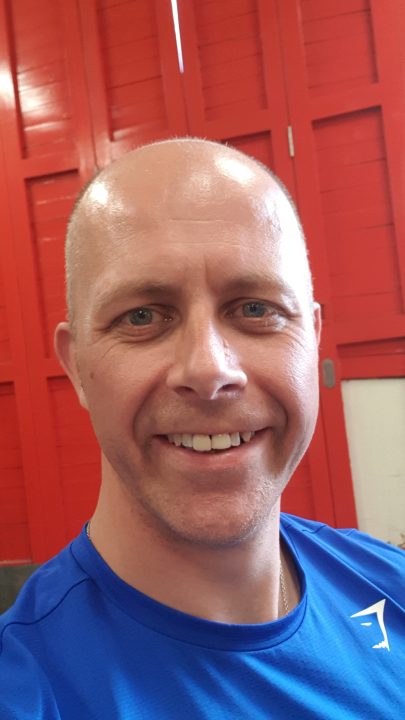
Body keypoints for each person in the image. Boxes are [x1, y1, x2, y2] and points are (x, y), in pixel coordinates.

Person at [0, 138, 404, 719]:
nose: (210, 370)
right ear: (77, 366)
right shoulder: (28, 692)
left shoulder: (390, 584)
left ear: (312, 339)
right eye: (142, 316)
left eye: (256, 309)